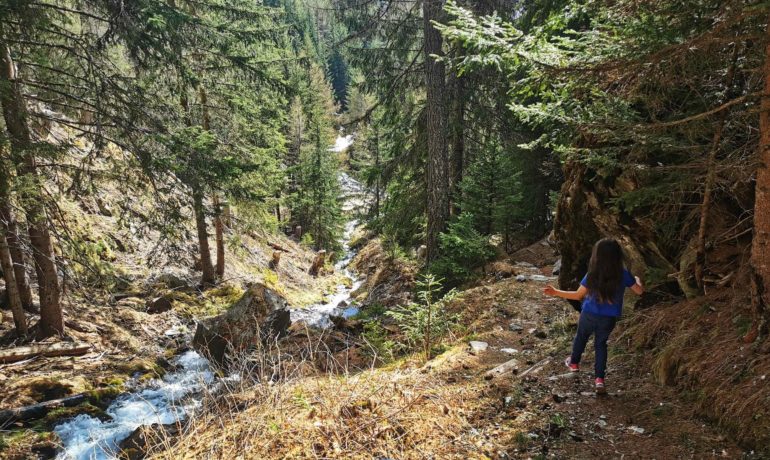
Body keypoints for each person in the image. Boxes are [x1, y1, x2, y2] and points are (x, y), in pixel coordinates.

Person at [543, 238, 643, 394]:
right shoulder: (623, 274)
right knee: (601, 345)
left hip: (588, 314)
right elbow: (639, 291)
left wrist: (556, 292)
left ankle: (574, 363)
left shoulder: (592, 274)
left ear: (597, 255)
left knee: (581, 337)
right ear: (618, 255)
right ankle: (599, 380)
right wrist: (637, 280)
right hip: (608, 319)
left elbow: (578, 295)